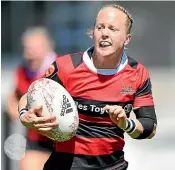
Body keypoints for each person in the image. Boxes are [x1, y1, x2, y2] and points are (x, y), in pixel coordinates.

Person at [18, 4, 157, 170]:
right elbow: (30, 95)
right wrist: (25, 114)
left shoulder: (137, 73)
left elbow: (149, 127)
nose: (104, 33)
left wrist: (126, 124)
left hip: (112, 166)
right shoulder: (67, 66)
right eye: (100, 27)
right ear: (93, 33)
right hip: (64, 166)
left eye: (113, 29)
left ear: (127, 38)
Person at [7, 26, 57, 170]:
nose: (30, 53)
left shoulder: (61, 68)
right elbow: (15, 95)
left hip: (62, 140)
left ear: (47, 47)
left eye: (35, 48)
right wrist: (15, 109)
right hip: (35, 139)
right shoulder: (22, 71)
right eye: (27, 48)